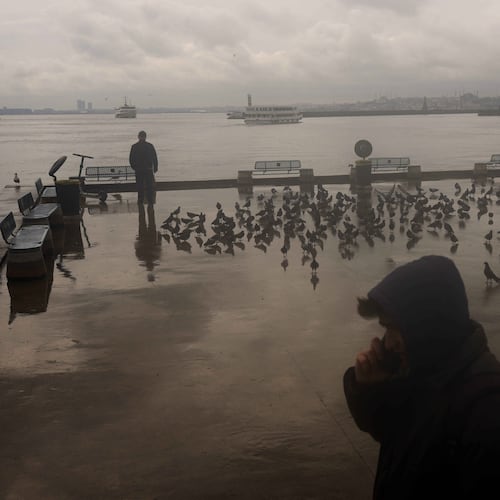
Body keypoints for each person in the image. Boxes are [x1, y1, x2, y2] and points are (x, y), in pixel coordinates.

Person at [343, 255, 500, 500]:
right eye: (386, 328)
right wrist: (372, 390)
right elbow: (396, 433)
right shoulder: (425, 371)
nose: (389, 342)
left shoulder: (486, 412)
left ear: (430, 323)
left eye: (397, 328)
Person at [129, 130, 158, 205]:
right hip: (147, 169)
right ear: (145, 137)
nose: (142, 138)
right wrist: (155, 167)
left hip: (140, 170)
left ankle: (141, 201)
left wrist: (134, 167)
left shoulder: (134, 146)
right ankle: (150, 201)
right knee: (149, 186)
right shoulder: (150, 146)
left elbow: (131, 159)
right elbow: (154, 157)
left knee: (140, 186)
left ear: (138, 137)